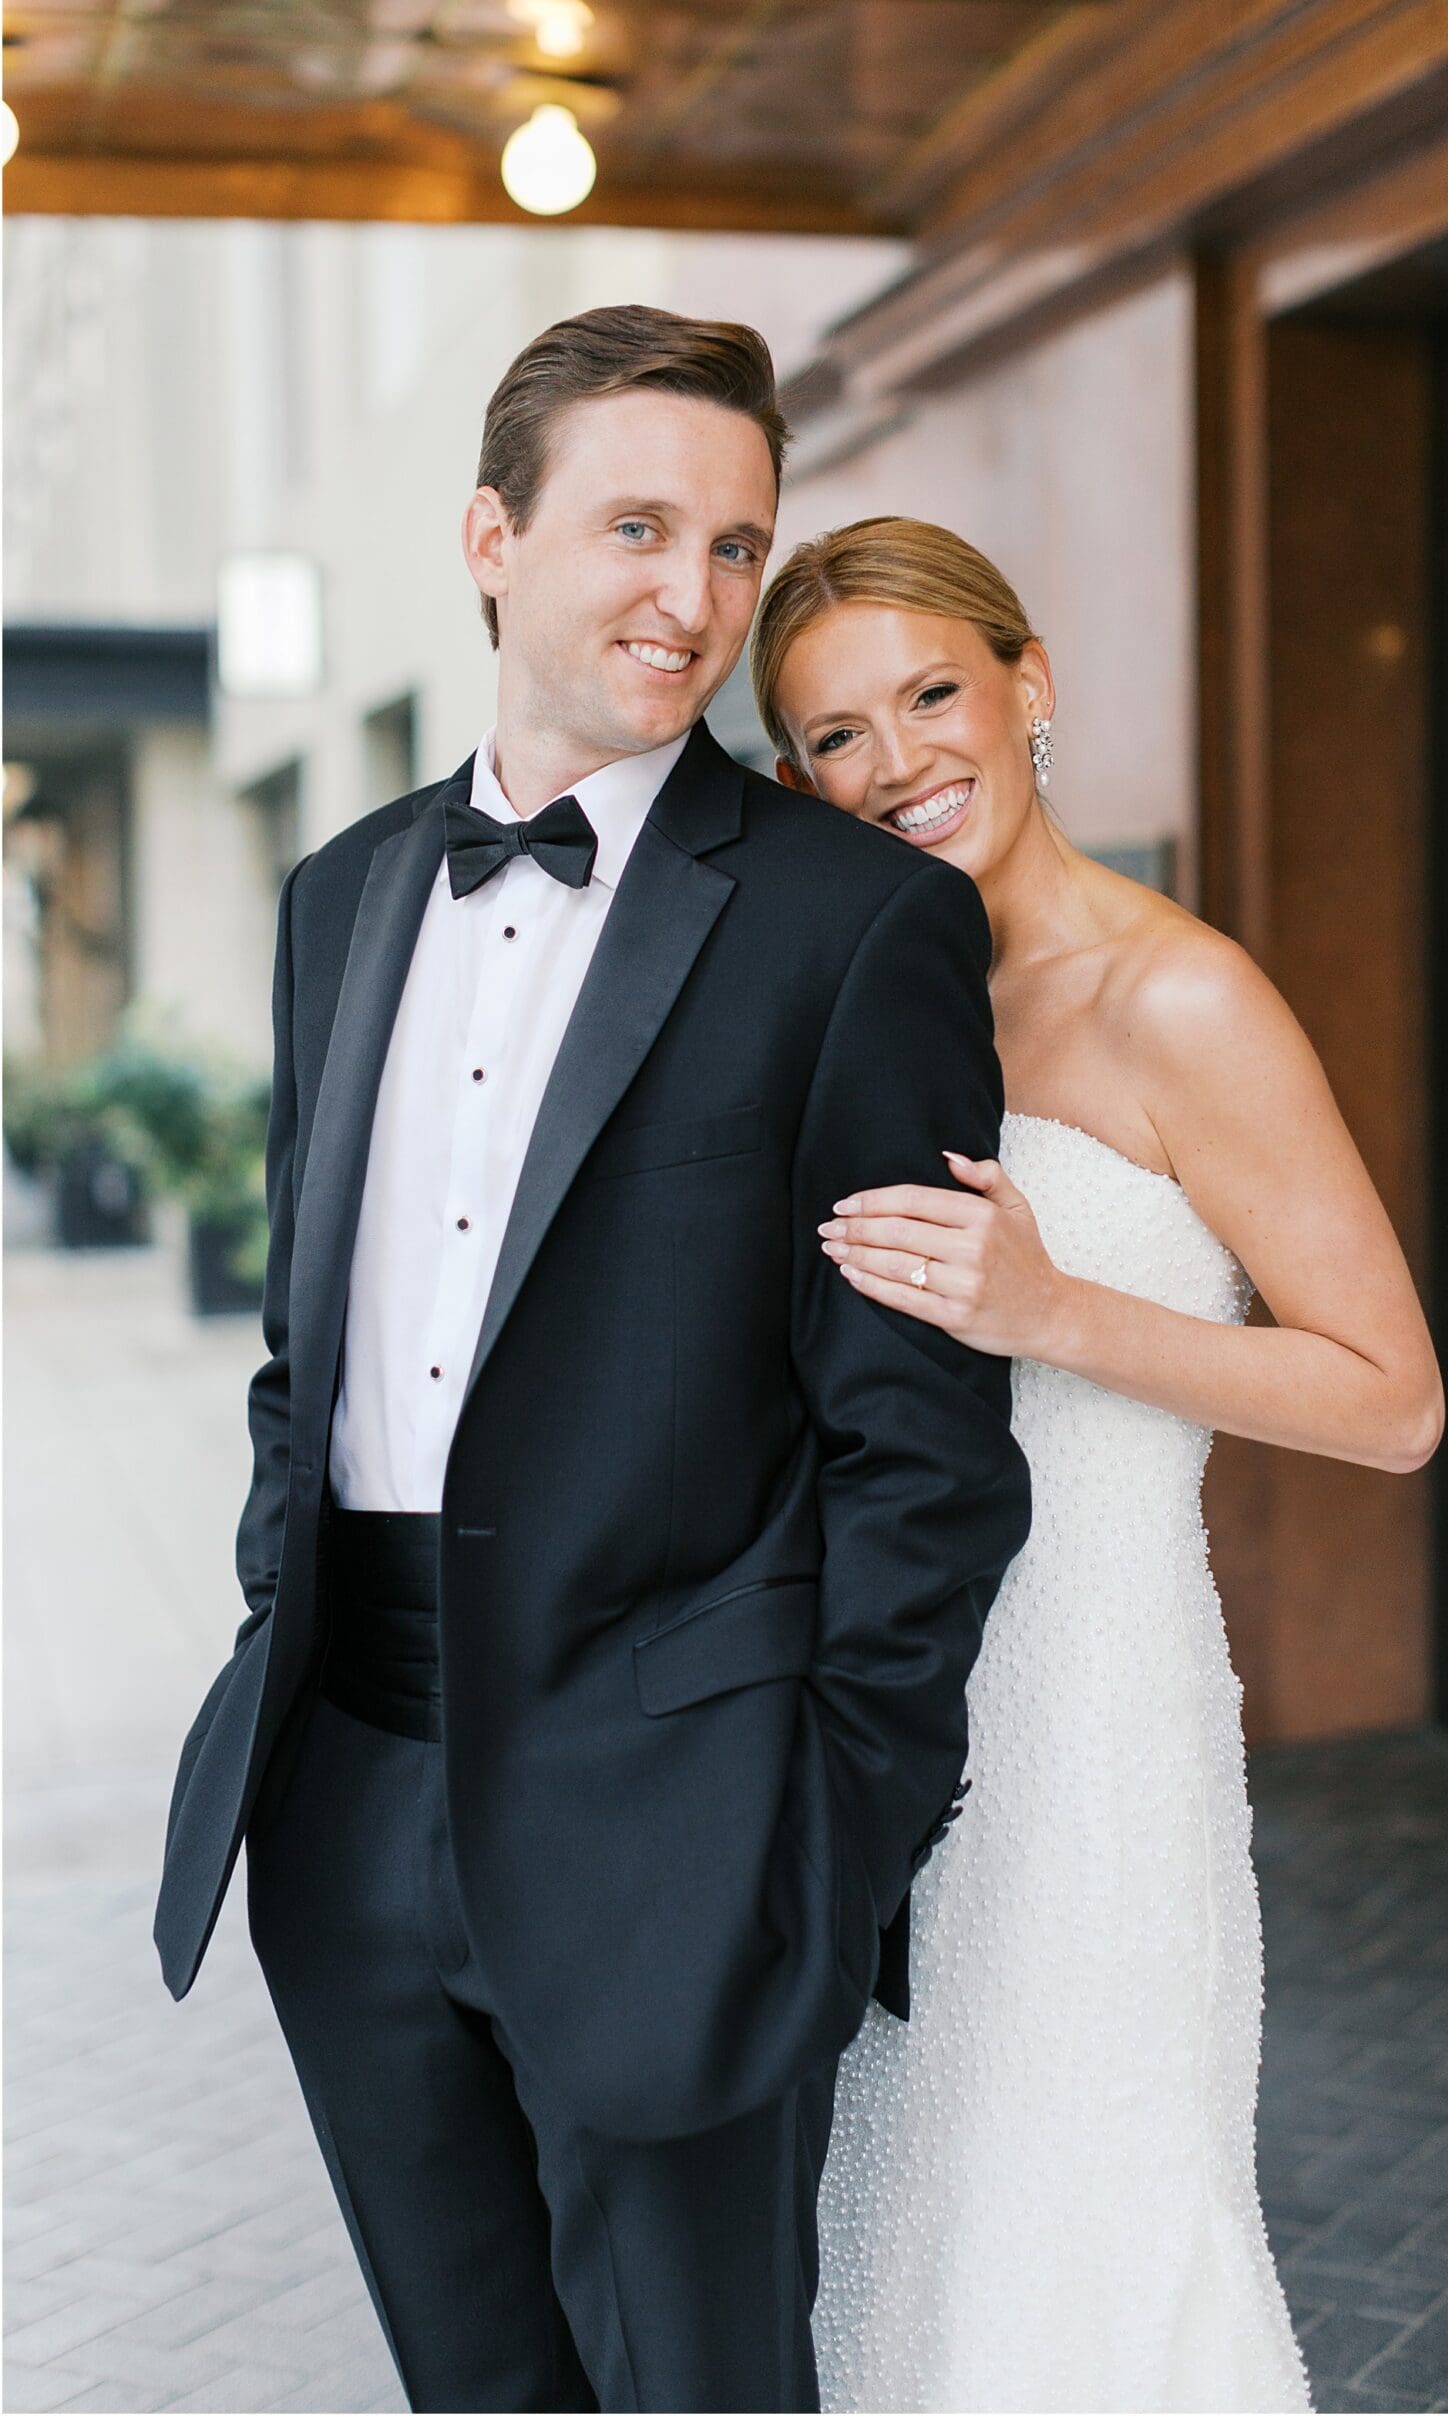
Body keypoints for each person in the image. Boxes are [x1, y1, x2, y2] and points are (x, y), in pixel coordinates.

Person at [152, 325, 1030, 2415]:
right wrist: (290, 1602)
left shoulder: (848, 920)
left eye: (732, 544)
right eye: (634, 527)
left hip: (684, 1819)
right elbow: (311, 1332)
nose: (693, 596)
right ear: (489, 535)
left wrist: (825, 1839)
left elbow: (919, 1447)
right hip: (350, 1785)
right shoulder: (337, 894)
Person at [754, 516, 1445, 2415]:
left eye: (930, 695)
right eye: (832, 736)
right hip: (882, 1710)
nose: (892, 763)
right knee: (908, 2238)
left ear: (1030, 683)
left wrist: (1054, 1310)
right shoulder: (855, 992)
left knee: (1094, 2233)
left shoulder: (1182, 999)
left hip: (1092, 1719)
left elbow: (1394, 1398)